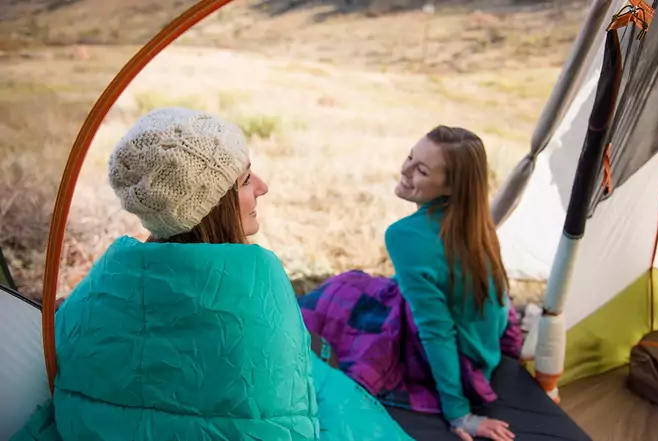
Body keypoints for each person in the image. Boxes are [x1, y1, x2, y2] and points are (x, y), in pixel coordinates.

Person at [11, 107, 413, 441]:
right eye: (244, 179)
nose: (263, 186)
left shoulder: (106, 280)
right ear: (211, 206)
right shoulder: (259, 283)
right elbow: (284, 423)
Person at [298, 125, 523, 441]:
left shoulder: (405, 235)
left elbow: (435, 329)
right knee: (354, 285)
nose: (404, 170)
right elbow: (499, 300)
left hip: (445, 359)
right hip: (480, 353)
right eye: (409, 157)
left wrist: (459, 413)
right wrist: (509, 346)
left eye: (421, 170)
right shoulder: (476, 223)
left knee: (335, 298)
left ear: (450, 188)